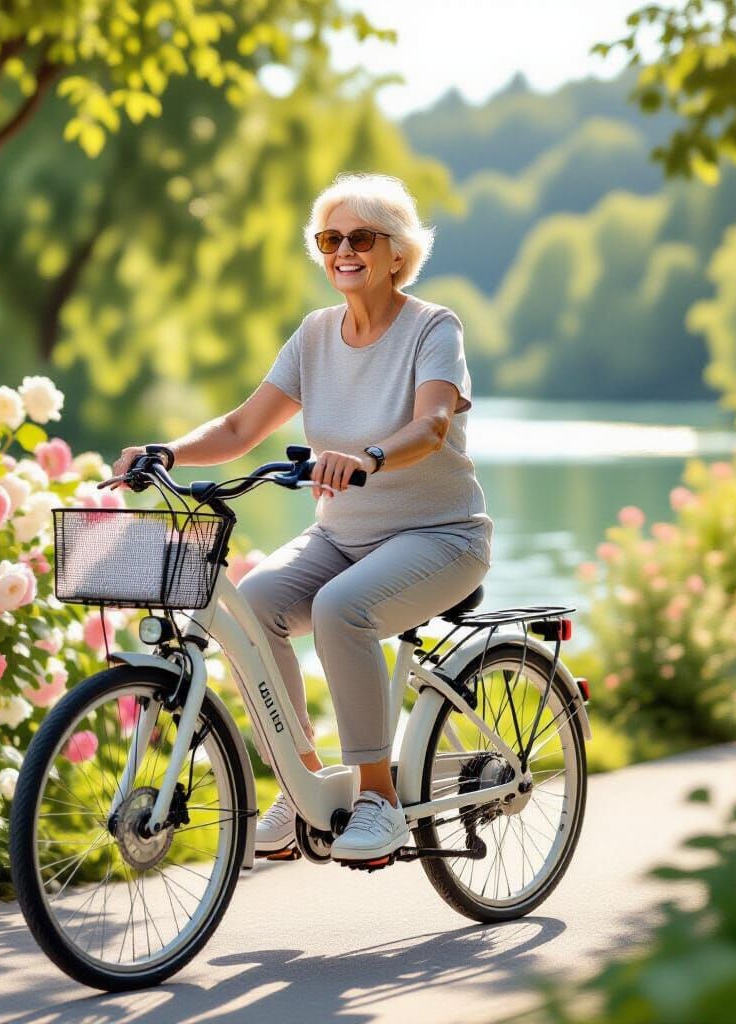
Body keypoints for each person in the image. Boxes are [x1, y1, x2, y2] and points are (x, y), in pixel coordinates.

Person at [112, 172, 493, 862]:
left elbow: (434, 424)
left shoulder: (433, 327)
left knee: (342, 610)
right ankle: (304, 782)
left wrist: (369, 456)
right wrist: (167, 450)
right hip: (343, 536)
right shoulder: (316, 334)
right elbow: (239, 429)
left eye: (361, 238)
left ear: (397, 252)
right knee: (251, 612)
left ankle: (377, 800)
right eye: (330, 238)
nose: (343, 250)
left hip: (441, 537)